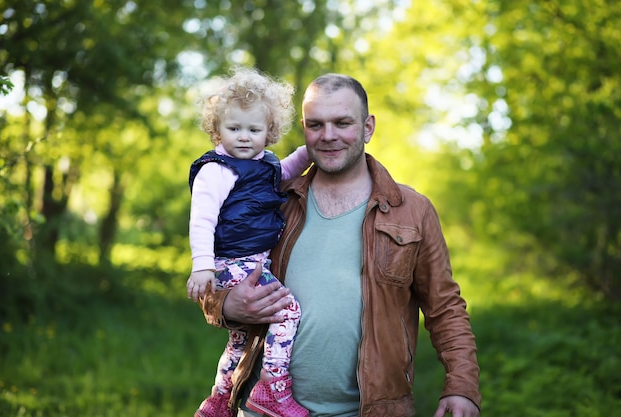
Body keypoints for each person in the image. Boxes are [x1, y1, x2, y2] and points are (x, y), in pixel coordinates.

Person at [201, 74, 482, 417]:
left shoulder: (412, 211)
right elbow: (217, 273)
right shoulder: (273, 200)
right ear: (304, 128)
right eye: (316, 124)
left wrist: (462, 387)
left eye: (342, 123)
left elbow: (445, 309)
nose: (329, 135)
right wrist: (227, 305)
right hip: (263, 412)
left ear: (367, 127)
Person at [187, 67, 312, 417]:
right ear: (217, 129)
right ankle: (272, 387)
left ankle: (219, 400)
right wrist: (203, 266)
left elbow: (283, 172)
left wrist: (307, 154)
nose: (244, 137)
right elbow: (202, 219)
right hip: (233, 260)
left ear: (269, 132)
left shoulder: (263, 163)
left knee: (240, 339)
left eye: (254, 130)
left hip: (251, 261)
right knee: (287, 310)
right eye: (234, 128)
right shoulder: (217, 170)